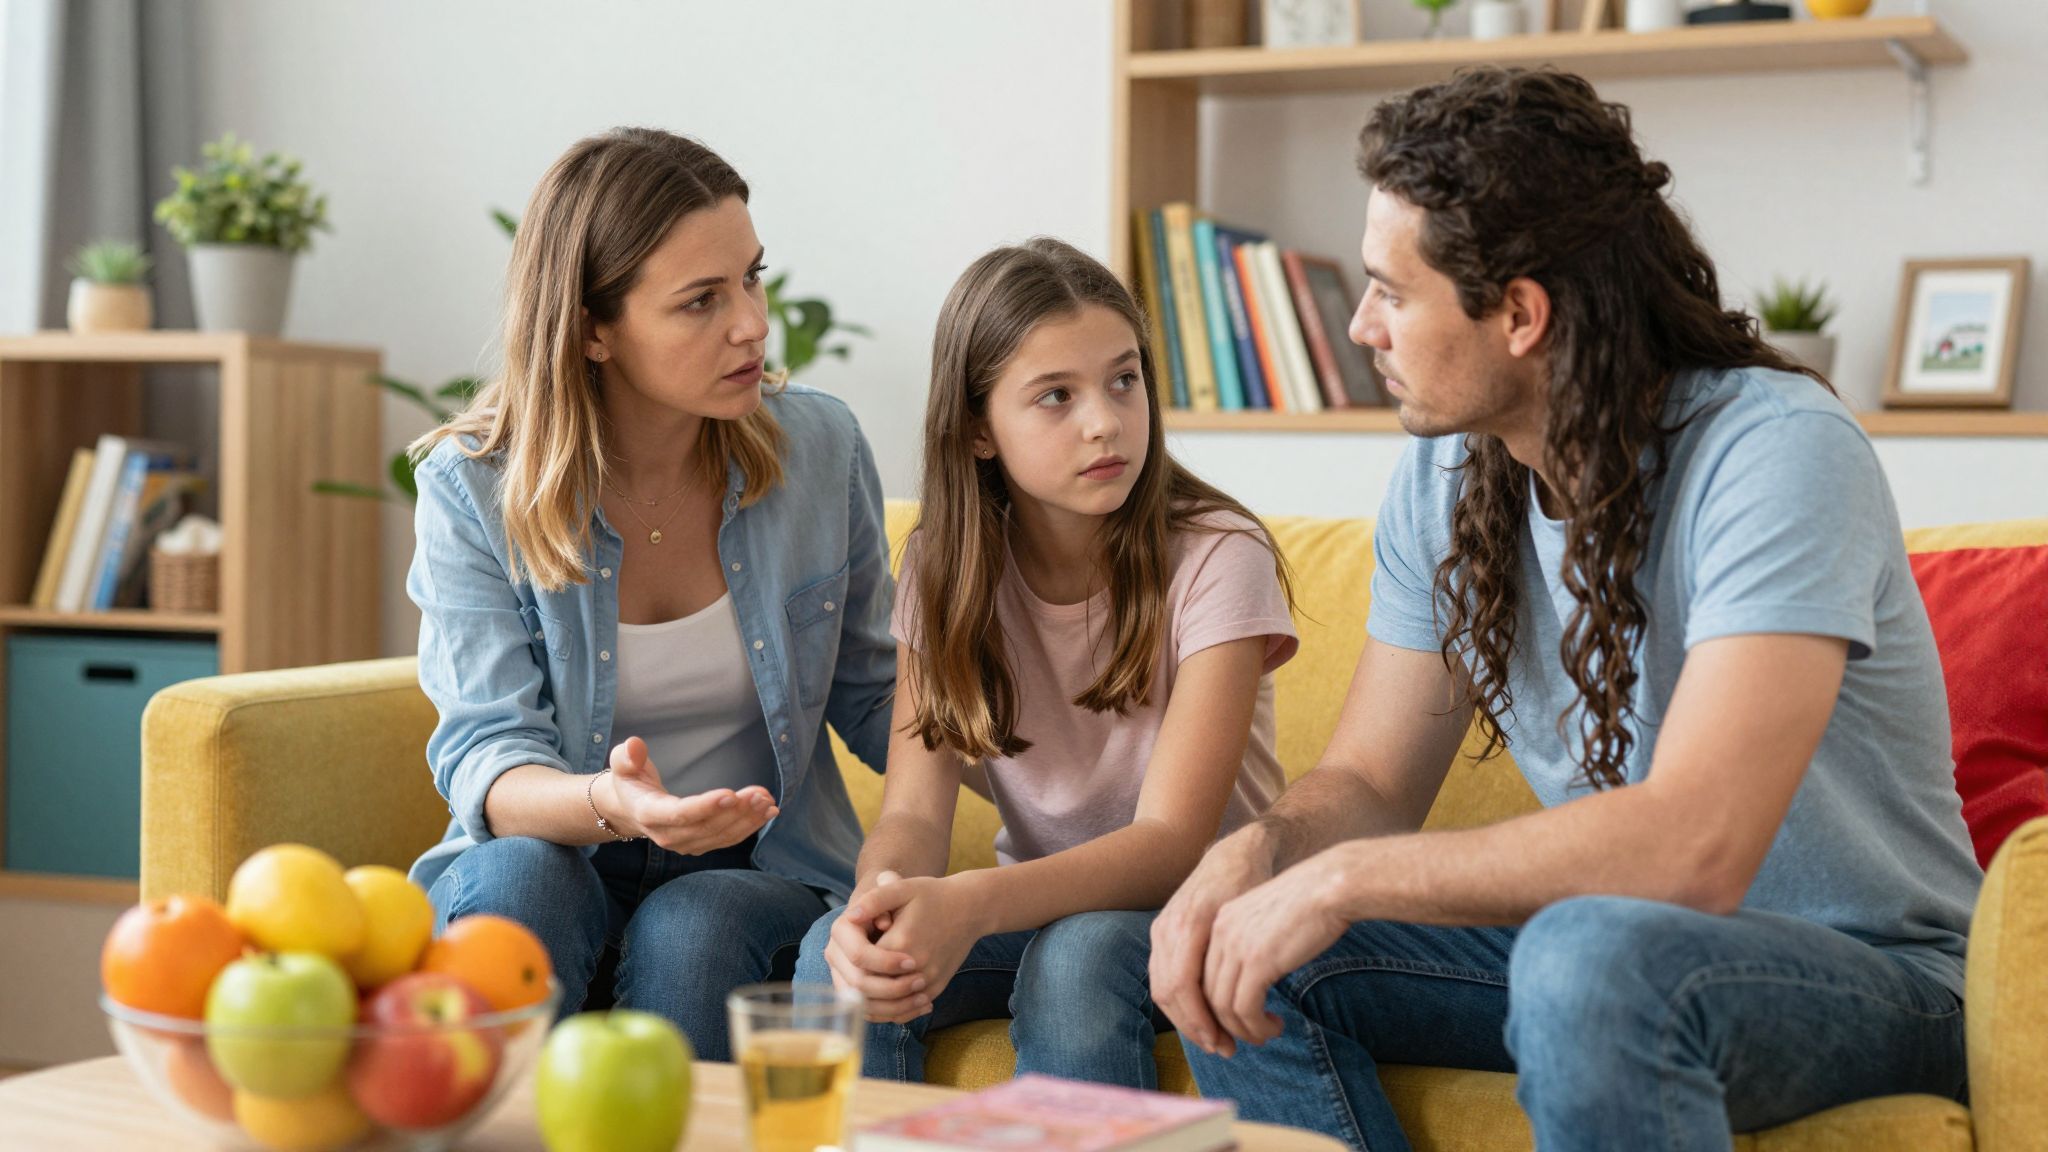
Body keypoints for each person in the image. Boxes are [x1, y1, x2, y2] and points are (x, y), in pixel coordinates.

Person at [1149, 68, 1980, 1151]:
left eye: (1390, 293)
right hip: (1603, 950)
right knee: (1248, 944)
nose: (1360, 326)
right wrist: (1253, 861)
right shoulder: (1446, 472)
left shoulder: (1774, 453)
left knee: (1585, 956)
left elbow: (1694, 848)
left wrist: (1345, 878)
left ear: (1520, 314)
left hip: (1874, 975)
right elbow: (1364, 781)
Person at [405, 127, 895, 1060]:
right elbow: (489, 761)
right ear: (593, 329)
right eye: (700, 302)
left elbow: (883, 694)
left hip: (758, 864)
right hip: (558, 846)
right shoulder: (471, 489)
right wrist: (619, 806)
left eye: (750, 278)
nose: (751, 323)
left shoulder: (820, 450)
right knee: (521, 885)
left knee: (697, 922)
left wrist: (1070, 756)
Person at [795, 238, 1298, 1087]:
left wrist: (972, 902)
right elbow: (916, 812)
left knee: (1079, 955)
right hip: (1035, 905)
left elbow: (1171, 844)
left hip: (1194, 911)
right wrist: (882, 899)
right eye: (1055, 397)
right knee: (836, 955)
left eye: (1124, 379)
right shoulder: (942, 570)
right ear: (977, 431)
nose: (1104, 419)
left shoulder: (1219, 553)